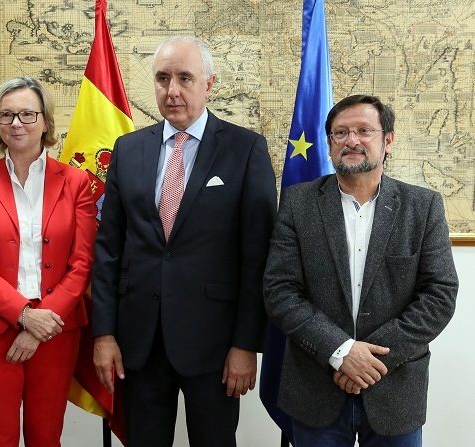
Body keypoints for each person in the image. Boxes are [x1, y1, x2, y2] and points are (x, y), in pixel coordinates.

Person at [91, 36, 277, 446]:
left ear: (208, 84)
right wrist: (103, 334)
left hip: (214, 346)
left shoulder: (245, 150)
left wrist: (246, 344)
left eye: (184, 78)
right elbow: (108, 250)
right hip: (138, 344)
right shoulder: (128, 149)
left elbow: (257, 256)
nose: (172, 90)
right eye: (162, 78)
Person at [264, 94, 459, 446]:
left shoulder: (423, 207)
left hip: (394, 390)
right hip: (314, 389)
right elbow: (280, 290)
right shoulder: (298, 203)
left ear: (388, 140)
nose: (352, 140)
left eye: (364, 131)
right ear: (329, 144)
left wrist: (367, 359)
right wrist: (340, 352)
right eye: (341, 133)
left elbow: (439, 294)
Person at [0, 76, 97, 447]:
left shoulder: (76, 182)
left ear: (46, 121)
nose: (16, 123)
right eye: (6, 115)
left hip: (55, 328)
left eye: (27, 114)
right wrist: (23, 314)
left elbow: (82, 263)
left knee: (45, 436)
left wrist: (39, 323)